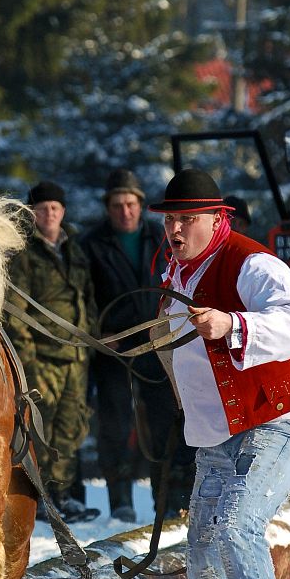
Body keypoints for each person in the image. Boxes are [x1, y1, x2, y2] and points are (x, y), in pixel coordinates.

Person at [150, 168, 290, 579]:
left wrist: (235, 325)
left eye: (187, 219)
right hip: (220, 433)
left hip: (281, 419)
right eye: (170, 219)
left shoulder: (251, 262)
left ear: (216, 219)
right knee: (202, 546)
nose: (175, 229)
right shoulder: (172, 269)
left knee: (235, 527)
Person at [81, 169, 195, 521]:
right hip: (114, 345)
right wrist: (97, 332)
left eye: (130, 203)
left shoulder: (159, 238)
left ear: (140, 205)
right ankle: (121, 500)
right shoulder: (90, 244)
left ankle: (167, 498)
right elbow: (82, 295)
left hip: (156, 343)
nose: (124, 211)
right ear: (108, 207)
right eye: (117, 205)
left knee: (164, 420)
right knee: (116, 422)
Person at [5, 181, 99, 522]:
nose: (50, 214)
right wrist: (27, 356)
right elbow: (14, 308)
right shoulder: (24, 253)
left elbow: (85, 296)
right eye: (43, 208)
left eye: (55, 208)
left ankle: (62, 493)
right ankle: (40, 495)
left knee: (71, 428)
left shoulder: (74, 248)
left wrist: (92, 336)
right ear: (32, 213)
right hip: (42, 358)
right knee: (39, 430)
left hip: (75, 356)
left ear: (63, 212)